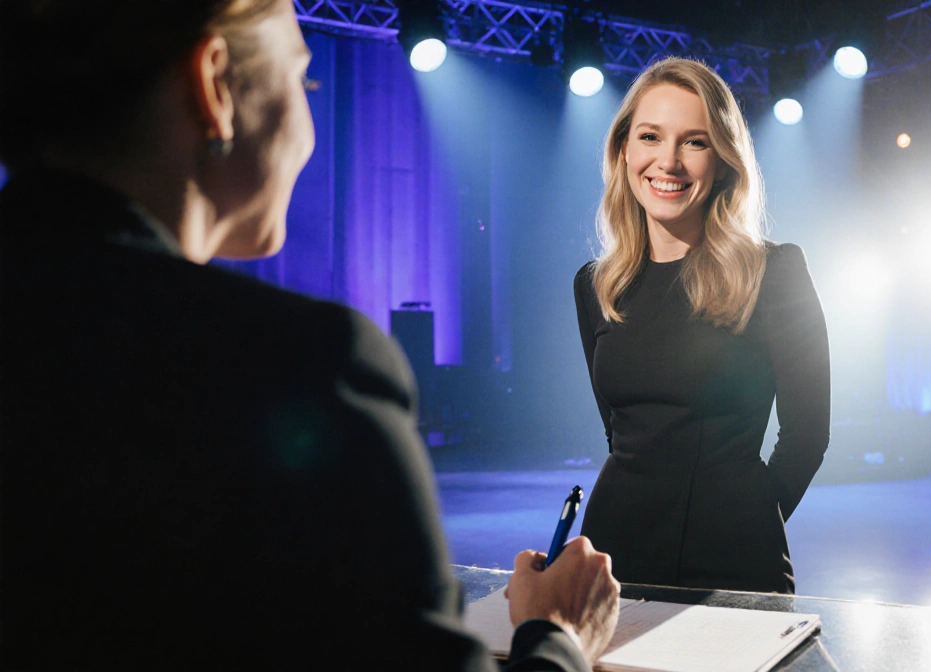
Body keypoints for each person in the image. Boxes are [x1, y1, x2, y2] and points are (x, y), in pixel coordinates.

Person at [0, 1, 617, 668]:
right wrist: (558, 636)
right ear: (213, 86)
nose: (308, 128)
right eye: (303, 81)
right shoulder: (296, 369)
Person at [573, 57, 831, 594]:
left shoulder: (774, 272)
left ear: (723, 162)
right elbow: (619, 431)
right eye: (650, 137)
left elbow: (808, 435)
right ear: (624, 151)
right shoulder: (596, 285)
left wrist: (749, 515)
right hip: (613, 558)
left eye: (694, 142)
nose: (667, 161)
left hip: (735, 562)